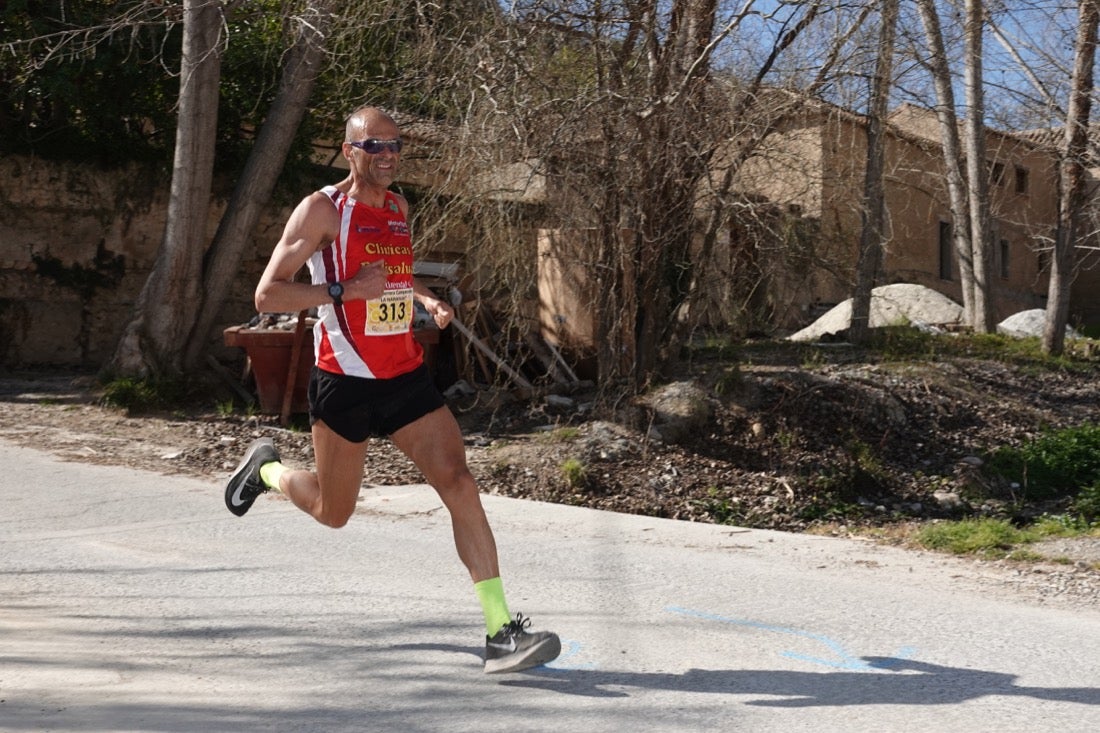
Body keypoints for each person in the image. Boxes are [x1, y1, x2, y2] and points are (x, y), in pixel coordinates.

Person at [224, 105, 560, 674]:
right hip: (344, 383)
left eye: (395, 145)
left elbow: (395, 275)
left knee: (459, 482)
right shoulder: (320, 211)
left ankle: (501, 631)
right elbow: (268, 296)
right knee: (334, 513)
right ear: (350, 150)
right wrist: (343, 289)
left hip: (404, 376)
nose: (388, 155)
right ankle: (267, 472)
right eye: (374, 146)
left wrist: (424, 298)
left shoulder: (400, 208)